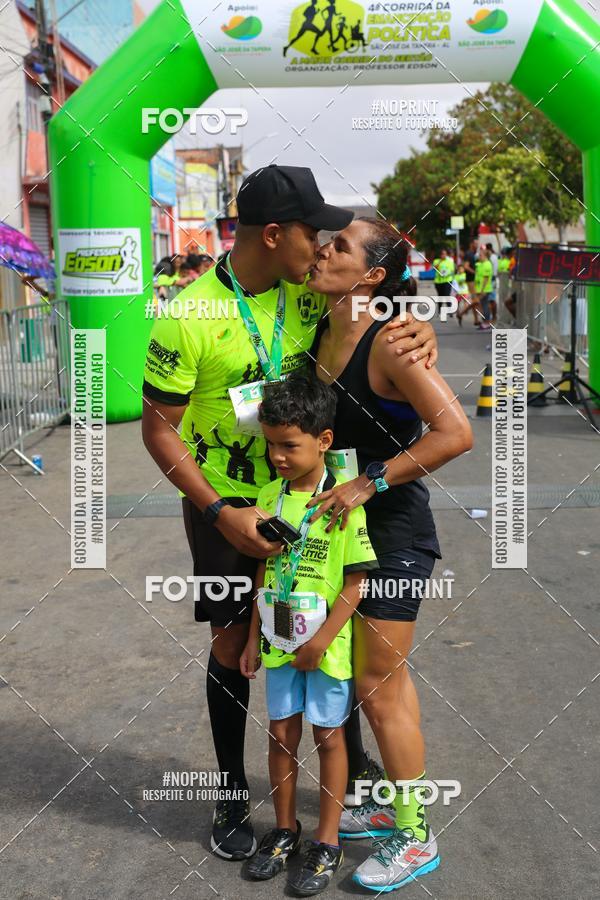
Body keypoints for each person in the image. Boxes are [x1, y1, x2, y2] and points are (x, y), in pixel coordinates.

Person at [141, 164, 438, 861]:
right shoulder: (187, 315)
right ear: (274, 235)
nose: (323, 245)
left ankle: (357, 771)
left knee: (327, 632)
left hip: (310, 503)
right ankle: (228, 797)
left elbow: (370, 307)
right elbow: (158, 429)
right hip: (222, 505)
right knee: (233, 645)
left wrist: (414, 320)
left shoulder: (308, 296)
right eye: (315, 233)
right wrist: (219, 512)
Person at [305, 217, 473, 891]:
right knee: (338, 675)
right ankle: (376, 802)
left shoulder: (392, 341)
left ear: (372, 274)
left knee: (379, 685)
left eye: (339, 246)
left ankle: (413, 833)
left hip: (392, 532)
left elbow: (455, 432)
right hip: (331, 536)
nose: (323, 250)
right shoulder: (320, 322)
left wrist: (369, 480)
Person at [241, 372, 378, 895]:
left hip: (326, 650)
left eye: (289, 446)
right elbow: (263, 572)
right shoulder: (267, 495)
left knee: (327, 737)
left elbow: (357, 581)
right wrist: (255, 637)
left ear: (323, 442)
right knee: (280, 734)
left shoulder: (343, 503)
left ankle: (327, 839)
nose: (277, 455)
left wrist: (322, 641)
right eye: (271, 445)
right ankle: (283, 829)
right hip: (277, 641)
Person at [474, 246, 494, 330]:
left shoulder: (487, 264)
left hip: (485, 289)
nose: (479, 257)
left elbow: (486, 278)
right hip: (480, 288)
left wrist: (482, 290)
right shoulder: (480, 264)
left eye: (481, 255)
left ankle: (487, 322)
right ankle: (485, 321)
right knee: (482, 305)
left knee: (484, 306)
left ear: (485, 256)